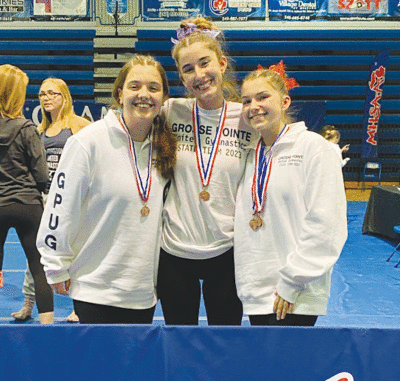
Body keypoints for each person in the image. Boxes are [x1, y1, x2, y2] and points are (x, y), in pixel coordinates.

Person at [37, 55, 177, 324]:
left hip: (142, 293)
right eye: (135, 86)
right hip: (96, 289)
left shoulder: (164, 146)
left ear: (164, 97)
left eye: (153, 87)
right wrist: (55, 264)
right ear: (119, 92)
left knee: (134, 366)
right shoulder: (88, 142)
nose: (144, 95)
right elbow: (60, 206)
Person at [157, 17, 255, 325]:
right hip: (175, 251)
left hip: (227, 250)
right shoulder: (171, 111)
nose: (199, 75)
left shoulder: (248, 118)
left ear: (222, 64)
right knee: (180, 342)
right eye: (188, 69)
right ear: (181, 77)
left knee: (224, 344)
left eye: (204, 63)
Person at [234, 61, 348, 326]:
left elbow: (327, 224)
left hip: (295, 294)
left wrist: (292, 281)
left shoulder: (314, 148)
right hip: (256, 292)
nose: (254, 106)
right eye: (246, 100)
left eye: (263, 97)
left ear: (285, 102)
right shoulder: (249, 154)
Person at [12, 77, 90, 322]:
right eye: (42, 94)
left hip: (74, 197)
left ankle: (79, 306)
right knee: (36, 253)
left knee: (76, 252)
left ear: (64, 96)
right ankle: (28, 303)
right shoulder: (39, 130)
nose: (46, 98)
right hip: (46, 198)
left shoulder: (80, 125)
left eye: (52, 93)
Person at [0, 64, 54, 324]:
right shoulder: (26, 128)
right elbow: (41, 173)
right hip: (27, 203)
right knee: (38, 265)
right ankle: (47, 328)